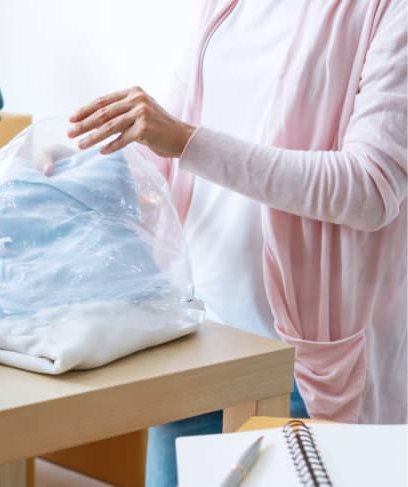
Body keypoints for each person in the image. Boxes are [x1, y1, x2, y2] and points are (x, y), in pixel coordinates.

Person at [67, 0, 406, 485]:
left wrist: (183, 140)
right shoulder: (224, 7)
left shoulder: (390, 12)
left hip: (302, 366)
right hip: (195, 340)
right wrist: (75, 175)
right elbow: (169, 158)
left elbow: (371, 188)